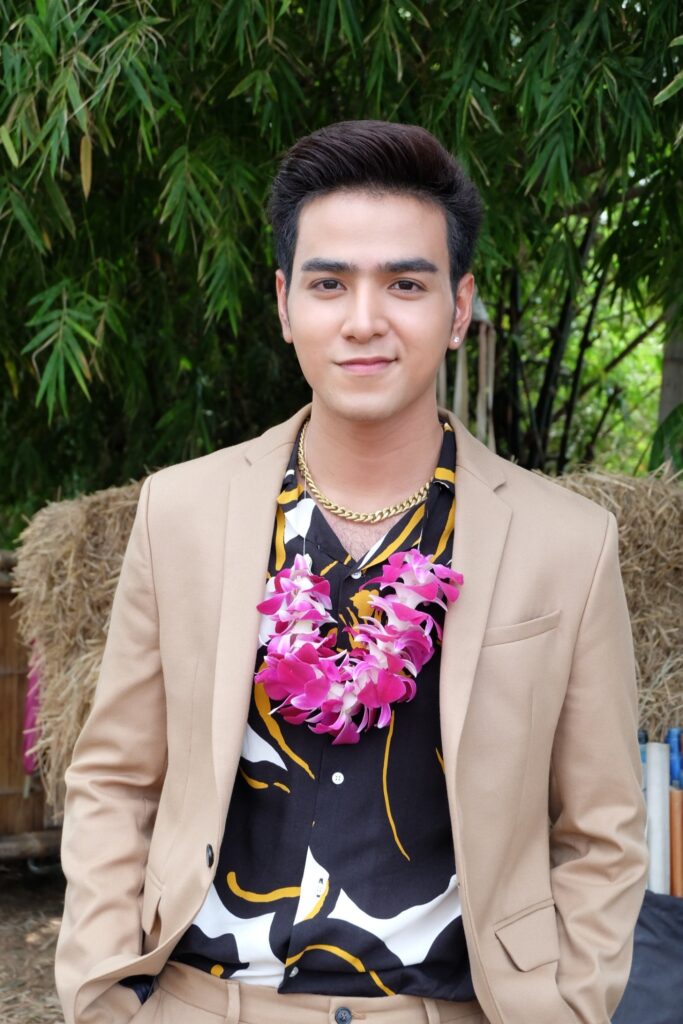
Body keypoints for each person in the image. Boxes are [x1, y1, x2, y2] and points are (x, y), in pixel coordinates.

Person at [55, 120, 648, 1024]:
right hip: (203, 1002)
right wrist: (104, 993)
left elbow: (601, 828)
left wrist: (568, 1005)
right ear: (284, 302)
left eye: (405, 284)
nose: (364, 320)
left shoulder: (565, 542)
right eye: (329, 283)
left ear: (458, 308)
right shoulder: (181, 511)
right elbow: (116, 778)